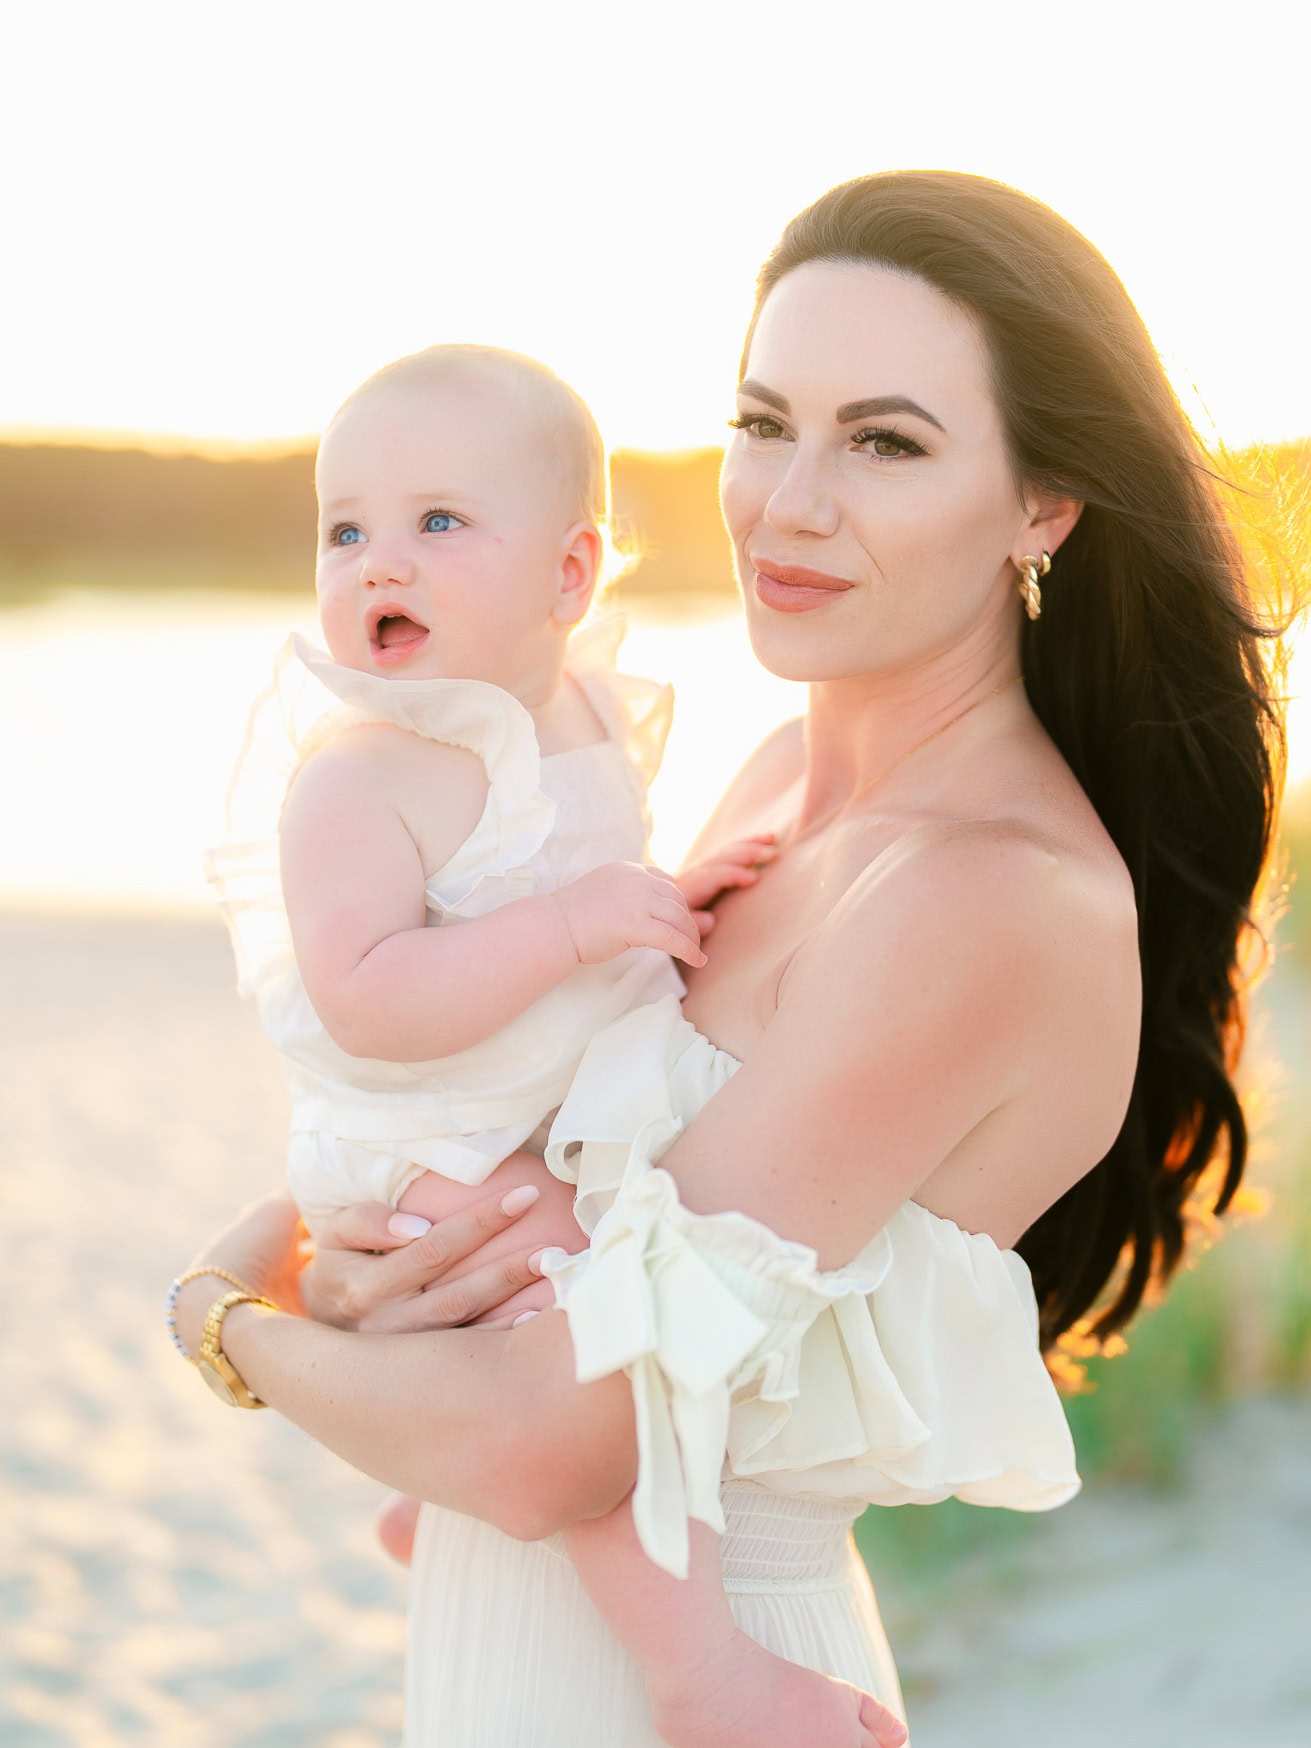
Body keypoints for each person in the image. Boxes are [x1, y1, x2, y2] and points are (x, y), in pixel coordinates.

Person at [170, 171, 1285, 1746]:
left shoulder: (990, 896)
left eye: (886, 442)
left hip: (699, 1681)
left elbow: (548, 1441)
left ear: (1044, 504)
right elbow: (531, 1109)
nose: (785, 502)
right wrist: (342, 1252)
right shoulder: (771, 778)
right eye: (766, 423)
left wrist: (227, 1321)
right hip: (511, 1641)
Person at [195, 342, 904, 1748]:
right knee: (574, 1321)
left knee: (623, 1235)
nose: (378, 562)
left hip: (542, 1091)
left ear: (572, 575)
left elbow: (596, 871)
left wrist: (663, 903)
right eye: (346, 531)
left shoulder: (573, 707)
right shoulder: (357, 777)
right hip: (421, 1132)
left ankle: (425, 1486)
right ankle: (701, 1666)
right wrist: (579, 928)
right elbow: (369, 996)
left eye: (437, 523)